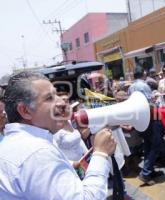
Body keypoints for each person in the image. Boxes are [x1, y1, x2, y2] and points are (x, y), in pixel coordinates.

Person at [0, 71, 116, 199]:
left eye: (56, 95)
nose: (61, 102)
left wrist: (70, 164)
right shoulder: (37, 153)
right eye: (49, 98)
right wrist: (100, 154)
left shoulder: (13, 144)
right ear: (25, 111)